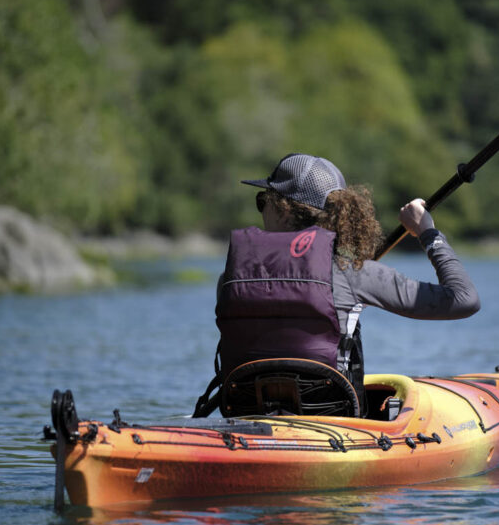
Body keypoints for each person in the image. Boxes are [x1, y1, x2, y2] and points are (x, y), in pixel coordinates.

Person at [194, 153, 480, 417]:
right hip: (329, 417)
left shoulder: (232, 277)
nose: (261, 211)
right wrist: (427, 231)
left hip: (243, 411)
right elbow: (464, 299)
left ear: (283, 210)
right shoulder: (354, 273)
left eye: (262, 201)